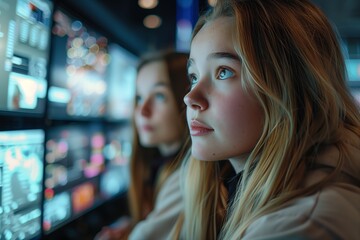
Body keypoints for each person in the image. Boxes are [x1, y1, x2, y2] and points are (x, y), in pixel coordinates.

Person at [171, 0, 360, 239]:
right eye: (194, 76)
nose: (191, 97)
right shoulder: (222, 195)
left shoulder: (299, 225)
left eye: (223, 72)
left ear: (290, 86)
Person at [95, 50, 189, 240]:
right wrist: (133, 226)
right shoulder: (157, 166)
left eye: (160, 96)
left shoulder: (186, 177)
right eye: (139, 97)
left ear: (186, 100)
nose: (142, 110)